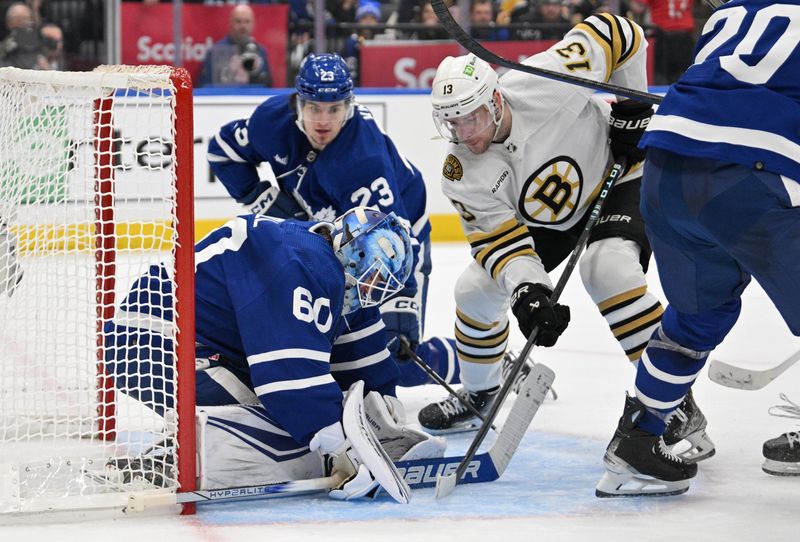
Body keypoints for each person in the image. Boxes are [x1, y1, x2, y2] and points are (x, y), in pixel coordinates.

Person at [422, 13, 713, 450]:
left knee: (607, 270)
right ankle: (482, 392)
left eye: (471, 118)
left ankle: (673, 403)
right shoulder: (461, 170)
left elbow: (621, 33)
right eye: (452, 123)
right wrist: (529, 292)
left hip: (619, 181)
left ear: (496, 99)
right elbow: (499, 242)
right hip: (548, 220)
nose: (464, 134)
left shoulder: (547, 80)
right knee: (474, 289)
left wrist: (633, 105)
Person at [596, 0, 800, 497]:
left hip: (667, 165)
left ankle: (637, 442)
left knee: (695, 317)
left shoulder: (732, 12)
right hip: (751, 173)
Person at [104, 207, 446, 499]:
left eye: (378, 287)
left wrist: (384, 414)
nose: (368, 289)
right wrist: (347, 447)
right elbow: (289, 383)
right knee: (295, 436)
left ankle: (180, 450)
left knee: (308, 427)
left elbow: (364, 365)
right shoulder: (303, 263)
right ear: (351, 250)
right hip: (151, 343)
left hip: (194, 346)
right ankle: (166, 459)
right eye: (368, 277)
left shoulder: (337, 270)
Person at [207, 52, 461, 390]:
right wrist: (267, 201)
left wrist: (399, 311)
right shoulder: (271, 121)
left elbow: (394, 245)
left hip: (394, 244)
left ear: (349, 106)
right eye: (314, 107)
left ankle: (480, 360)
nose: (323, 121)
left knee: (390, 357)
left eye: (334, 109)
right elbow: (222, 152)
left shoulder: (364, 162)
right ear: (298, 103)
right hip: (327, 244)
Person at [199, 4, 272, 87]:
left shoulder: (260, 51)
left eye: (247, 22)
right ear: (230, 23)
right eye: (238, 21)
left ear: (253, 25)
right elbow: (205, 86)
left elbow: (267, 86)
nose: (243, 26)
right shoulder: (216, 52)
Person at [0, 2, 45, 69]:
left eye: (26, 18)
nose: (23, 22)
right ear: (9, 22)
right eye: (18, 19)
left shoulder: (39, 39)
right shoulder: (5, 44)